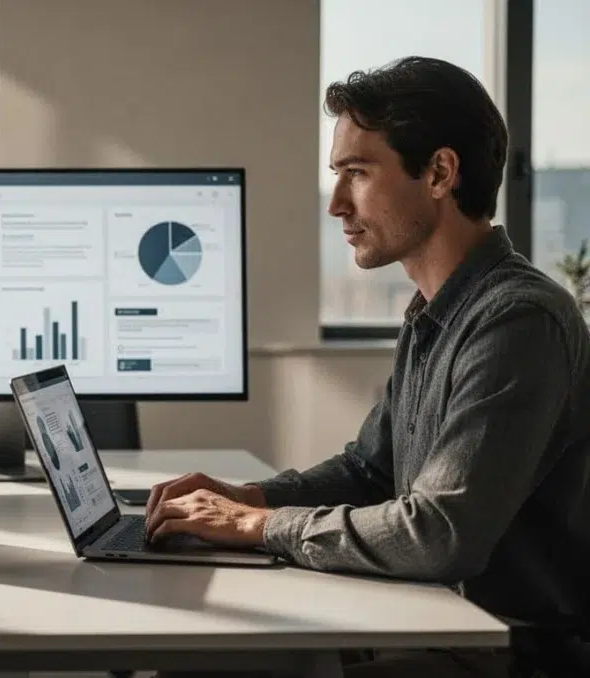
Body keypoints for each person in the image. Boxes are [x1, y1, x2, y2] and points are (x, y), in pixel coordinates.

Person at [145, 56, 590, 677]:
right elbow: (368, 471)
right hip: (425, 627)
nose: (335, 204)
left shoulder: (519, 321)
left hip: (501, 656)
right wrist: (246, 496)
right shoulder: (434, 312)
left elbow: (440, 533)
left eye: (356, 173)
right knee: (198, 660)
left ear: (439, 172)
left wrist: (260, 524)